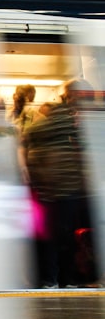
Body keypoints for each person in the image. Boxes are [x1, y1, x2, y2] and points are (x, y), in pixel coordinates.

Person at [23, 78, 94, 288]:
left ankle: (51, 280)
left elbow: (31, 152)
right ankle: (66, 279)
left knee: (53, 238)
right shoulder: (70, 122)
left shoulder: (43, 124)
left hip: (49, 191)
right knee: (67, 238)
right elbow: (84, 153)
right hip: (68, 189)